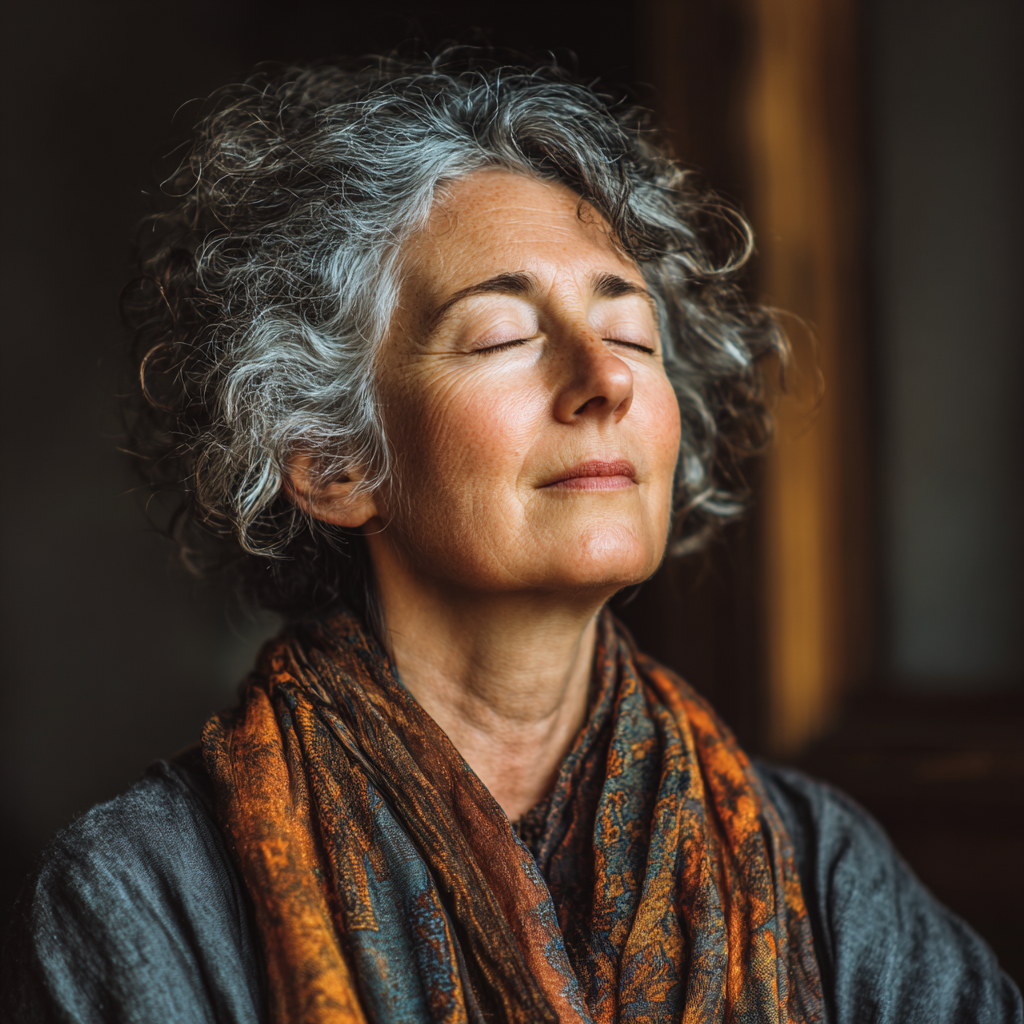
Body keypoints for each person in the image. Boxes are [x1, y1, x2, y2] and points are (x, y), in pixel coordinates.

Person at [2, 54, 1019, 1024]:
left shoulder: (821, 869)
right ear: (332, 461)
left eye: (631, 335)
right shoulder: (146, 889)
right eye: (501, 338)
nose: (606, 378)